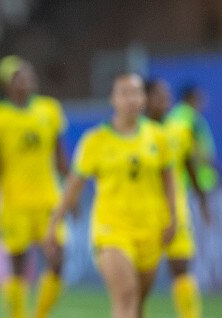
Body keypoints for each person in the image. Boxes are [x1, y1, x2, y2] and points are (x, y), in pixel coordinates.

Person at [44, 73, 177, 318]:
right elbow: (73, 186)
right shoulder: (95, 141)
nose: (130, 99)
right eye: (123, 93)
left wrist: (173, 217)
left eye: (136, 92)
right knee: (126, 294)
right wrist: (54, 223)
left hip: (149, 228)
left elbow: (169, 181)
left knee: (137, 305)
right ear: (113, 100)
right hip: (111, 229)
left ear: (143, 99)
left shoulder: (159, 137)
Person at [0, 55, 68, 318]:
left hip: (49, 199)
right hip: (13, 201)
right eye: (20, 75)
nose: (28, 79)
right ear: (6, 83)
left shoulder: (51, 109)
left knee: (58, 261)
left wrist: (71, 197)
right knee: (18, 266)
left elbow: (61, 158)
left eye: (29, 74)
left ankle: (39, 314)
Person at [146, 79, 210, 318]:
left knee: (181, 269)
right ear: (145, 99)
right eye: (159, 96)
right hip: (143, 213)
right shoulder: (135, 134)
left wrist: (202, 200)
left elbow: (189, 166)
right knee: (140, 282)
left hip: (176, 210)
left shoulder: (179, 131)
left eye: (168, 96)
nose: (166, 101)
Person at [171, 84, 219, 193]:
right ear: (191, 98)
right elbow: (193, 150)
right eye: (200, 97)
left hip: (186, 181)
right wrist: (215, 168)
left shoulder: (175, 115)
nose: (204, 101)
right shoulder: (190, 118)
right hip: (196, 181)